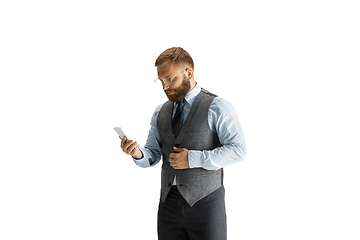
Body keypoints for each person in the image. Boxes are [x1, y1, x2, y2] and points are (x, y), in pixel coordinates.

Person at [119, 47, 246, 240]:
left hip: (206, 202)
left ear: (188, 73)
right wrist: (138, 154)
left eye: (169, 79)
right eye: (160, 81)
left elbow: (238, 150)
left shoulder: (217, 106)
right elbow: (153, 152)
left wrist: (192, 158)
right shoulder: (159, 112)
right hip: (168, 203)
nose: (164, 87)